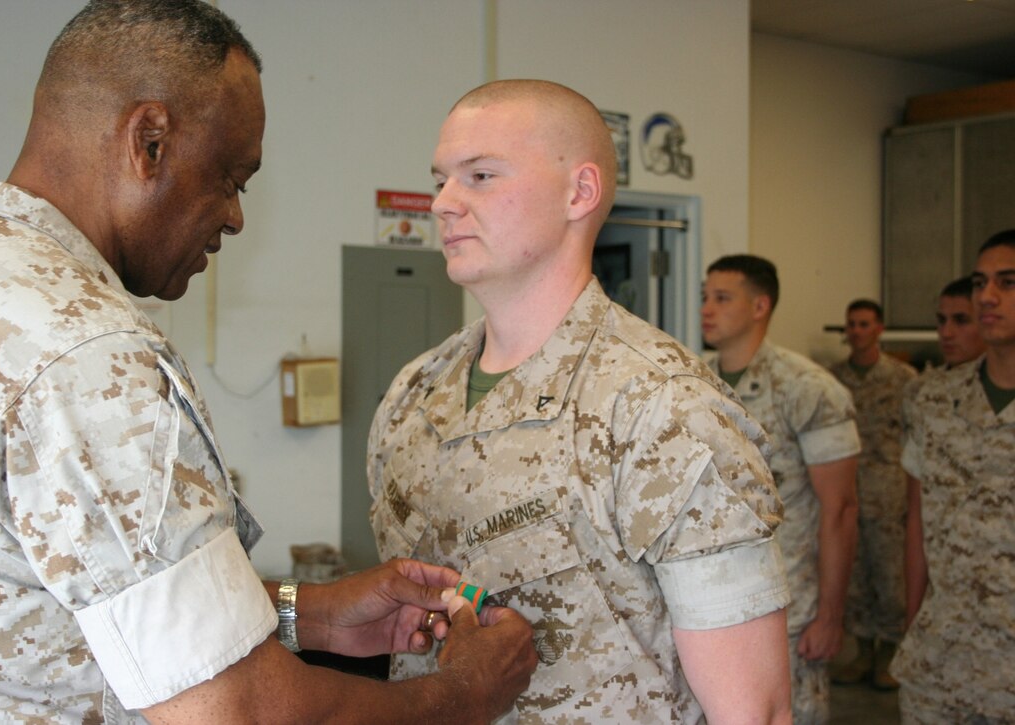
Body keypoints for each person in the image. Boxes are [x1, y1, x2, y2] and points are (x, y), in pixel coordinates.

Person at [0, 2, 536, 722]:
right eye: (230, 178)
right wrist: (464, 693)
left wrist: (305, 612)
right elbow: (239, 712)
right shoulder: (90, 355)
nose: (236, 216)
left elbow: (72, 596)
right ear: (148, 142)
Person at [368, 79, 793, 724]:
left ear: (580, 192)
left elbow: (752, 712)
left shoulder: (663, 408)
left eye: (480, 175)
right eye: (441, 180)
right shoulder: (413, 396)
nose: (444, 204)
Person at [701, 254, 860, 725]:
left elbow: (841, 509)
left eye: (722, 298)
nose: (707, 309)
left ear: (760, 306)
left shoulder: (808, 389)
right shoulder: (694, 383)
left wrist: (830, 616)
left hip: (787, 608)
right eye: (704, 297)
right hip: (710, 602)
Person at [893, 231, 1015, 723]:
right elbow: (917, 520)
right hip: (940, 666)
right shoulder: (934, 399)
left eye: (1007, 283)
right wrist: (911, 624)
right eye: (981, 282)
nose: (987, 296)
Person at [826, 300, 916, 690]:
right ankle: (862, 651)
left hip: (888, 491)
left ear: (879, 328)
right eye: (852, 325)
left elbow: (916, 440)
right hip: (846, 491)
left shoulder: (904, 379)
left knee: (890, 574)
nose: (857, 331)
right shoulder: (832, 379)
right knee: (854, 573)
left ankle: (890, 654)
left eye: (864, 324)